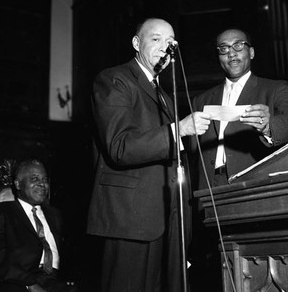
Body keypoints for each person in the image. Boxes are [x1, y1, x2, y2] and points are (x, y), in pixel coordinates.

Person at [87, 17, 211, 292]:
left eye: (170, 43)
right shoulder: (115, 79)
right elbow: (119, 147)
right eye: (156, 39)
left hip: (168, 218)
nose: (165, 48)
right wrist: (177, 130)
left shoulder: (165, 95)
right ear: (136, 43)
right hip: (131, 219)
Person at [189, 28, 288, 290]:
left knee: (251, 267)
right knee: (214, 269)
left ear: (251, 52)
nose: (231, 53)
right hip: (210, 190)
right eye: (223, 48)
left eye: (238, 46)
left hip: (251, 189)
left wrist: (268, 125)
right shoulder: (201, 99)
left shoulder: (274, 88)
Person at [0, 159, 79, 292]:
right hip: (16, 282)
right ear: (18, 184)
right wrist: (29, 284)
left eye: (45, 180)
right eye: (35, 179)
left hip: (56, 282)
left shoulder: (56, 215)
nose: (42, 184)